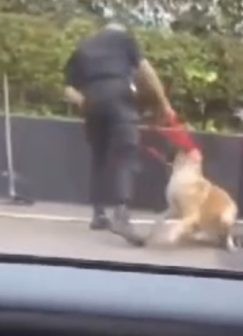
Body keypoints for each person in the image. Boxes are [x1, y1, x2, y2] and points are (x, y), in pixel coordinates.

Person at [63, 22, 175, 247]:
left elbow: (67, 89)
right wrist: (164, 104)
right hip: (119, 98)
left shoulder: (83, 47)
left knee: (99, 156)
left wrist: (84, 102)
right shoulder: (125, 40)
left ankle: (98, 215)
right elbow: (146, 72)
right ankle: (122, 215)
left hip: (92, 101)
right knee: (126, 155)